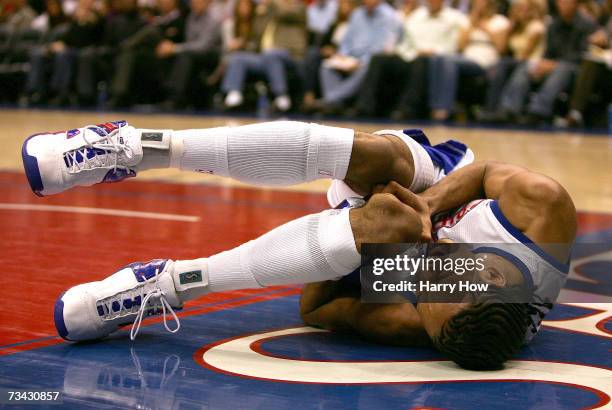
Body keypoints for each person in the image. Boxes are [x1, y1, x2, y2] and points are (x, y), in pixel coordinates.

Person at [22, 120, 575, 370]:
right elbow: (489, 173)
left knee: (392, 230)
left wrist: (369, 248)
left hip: (358, 233)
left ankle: (167, 282)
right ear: (497, 275)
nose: (426, 269)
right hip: (440, 177)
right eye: (442, 271)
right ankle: (129, 148)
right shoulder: (541, 217)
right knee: (385, 160)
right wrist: (426, 209)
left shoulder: (428, 323)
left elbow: (315, 309)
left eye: (421, 292)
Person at [352, 0, 466, 119]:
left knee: (421, 61)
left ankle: (406, 109)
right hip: (410, 55)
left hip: (432, 59)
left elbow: (453, 45)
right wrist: (397, 51)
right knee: (379, 58)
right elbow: (406, 40)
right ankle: (364, 106)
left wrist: (433, 51)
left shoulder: (455, 18)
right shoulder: (416, 15)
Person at [496, 0, 599, 124]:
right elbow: (548, 51)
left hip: (576, 68)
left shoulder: (588, 25)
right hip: (553, 64)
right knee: (527, 65)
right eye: (560, 2)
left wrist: (554, 64)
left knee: (562, 69)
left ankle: (538, 111)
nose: (563, 4)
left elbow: (584, 54)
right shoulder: (553, 24)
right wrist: (542, 63)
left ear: (576, 4)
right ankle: (510, 109)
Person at [427, 0, 510, 121]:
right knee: (439, 59)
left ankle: (443, 108)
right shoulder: (467, 20)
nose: (480, 5)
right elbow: (460, 46)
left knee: (449, 61)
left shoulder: (500, 21)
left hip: (485, 61)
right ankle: (434, 106)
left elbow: (501, 48)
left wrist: (484, 27)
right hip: (466, 58)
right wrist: (473, 22)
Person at [314, 0, 401, 113]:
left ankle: (329, 100)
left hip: (370, 60)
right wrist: (342, 56)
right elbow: (346, 41)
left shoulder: (390, 16)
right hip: (351, 57)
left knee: (366, 68)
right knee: (327, 66)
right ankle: (335, 104)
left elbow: (384, 47)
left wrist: (360, 62)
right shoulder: (356, 14)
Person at [220, 0, 307, 112]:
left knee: (272, 54)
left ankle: (281, 97)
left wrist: (272, 3)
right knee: (239, 58)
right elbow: (256, 32)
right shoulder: (270, 12)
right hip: (266, 56)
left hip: (291, 54)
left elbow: (284, 13)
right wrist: (260, 12)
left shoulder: (298, 7)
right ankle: (234, 95)